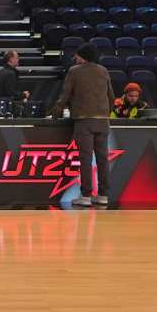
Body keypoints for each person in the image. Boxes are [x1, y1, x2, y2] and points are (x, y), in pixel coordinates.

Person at [53, 43, 114, 208]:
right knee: (102, 159)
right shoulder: (103, 71)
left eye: (78, 56)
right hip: (102, 120)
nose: (76, 59)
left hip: (84, 120)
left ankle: (85, 195)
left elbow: (65, 95)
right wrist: (106, 113)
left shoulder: (74, 71)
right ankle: (103, 195)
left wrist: (55, 113)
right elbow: (111, 96)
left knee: (85, 159)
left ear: (83, 56)